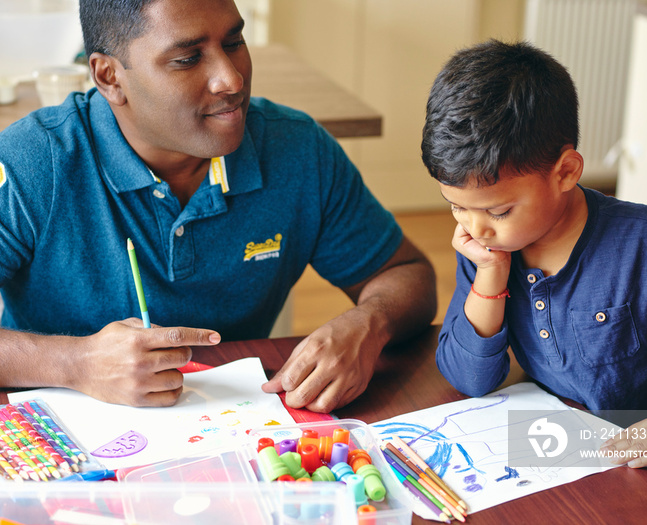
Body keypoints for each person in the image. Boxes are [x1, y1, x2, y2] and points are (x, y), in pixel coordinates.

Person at [0, 0, 436, 413]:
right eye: (187, 58)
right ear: (110, 77)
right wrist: (77, 363)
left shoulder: (298, 150)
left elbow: (404, 274)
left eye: (234, 43)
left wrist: (369, 324)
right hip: (61, 448)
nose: (232, 79)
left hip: (237, 433)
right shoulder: (30, 162)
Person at [421, 40, 647, 509]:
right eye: (456, 207)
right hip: (568, 468)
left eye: (499, 209)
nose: (474, 228)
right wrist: (489, 276)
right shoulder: (489, 247)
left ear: (565, 171)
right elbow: (469, 378)